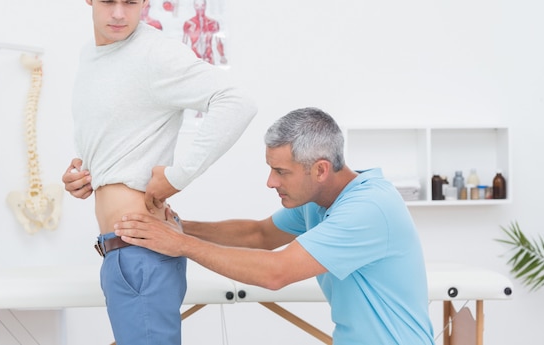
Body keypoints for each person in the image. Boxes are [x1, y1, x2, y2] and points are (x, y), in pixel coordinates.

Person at [61, 0, 256, 345]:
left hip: (141, 252)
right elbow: (120, 141)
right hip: (121, 252)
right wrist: (85, 175)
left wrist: (178, 176)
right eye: (108, 1)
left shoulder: (154, 54)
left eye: (131, 2)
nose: (119, 14)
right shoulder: (90, 59)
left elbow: (238, 102)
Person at [113, 107, 436, 345]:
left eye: (281, 172)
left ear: (320, 169)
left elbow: (276, 272)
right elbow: (259, 234)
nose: (270, 182)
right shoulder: (317, 202)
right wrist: (180, 226)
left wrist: (180, 244)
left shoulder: (368, 209)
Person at [182, 0, 227, 65]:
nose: (200, 8)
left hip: (209, 57)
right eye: (197, 5)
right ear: (194, 6)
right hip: (194, 58)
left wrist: (222, 55)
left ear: (205, 6)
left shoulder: (213, 23)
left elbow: (218, 41)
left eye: (202, 5)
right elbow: (184, 43)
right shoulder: (188, 23)